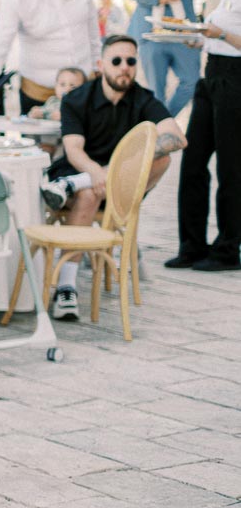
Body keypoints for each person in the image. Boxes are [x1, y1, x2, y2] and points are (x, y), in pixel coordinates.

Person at [38, 36, 179, 318]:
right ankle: (67, 287)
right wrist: (94, 173)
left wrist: (119, 170)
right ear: (102, 65)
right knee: (89, 192)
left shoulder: (142, 98)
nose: (124, 67)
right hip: (79, 170)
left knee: (163, 157)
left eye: (131, 61)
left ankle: (72, 187)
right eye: (116, 61)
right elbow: (73, 149)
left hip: (118, 186)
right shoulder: (78, 98)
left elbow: (176, 136)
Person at [170, 0, 241, 272]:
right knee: (193, 161)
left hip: (235, 79)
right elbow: (216, 37)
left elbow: (231, 38)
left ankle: (227, 249)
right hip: (211, 75)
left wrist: (220, 34)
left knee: (231, 167)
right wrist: (198, 39)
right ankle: (192, 245)